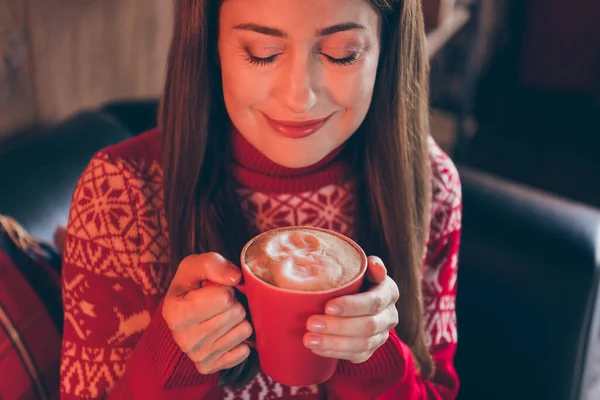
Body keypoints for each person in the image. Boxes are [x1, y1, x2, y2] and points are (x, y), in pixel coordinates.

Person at [59, 0, 461, 398]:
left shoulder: (431, 183)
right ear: (211, 44)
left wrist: (374, 358)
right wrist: (172, 362)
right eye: (262, 54)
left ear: (387, 46)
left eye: (342, 55)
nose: (298, 98)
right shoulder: (117, 195)